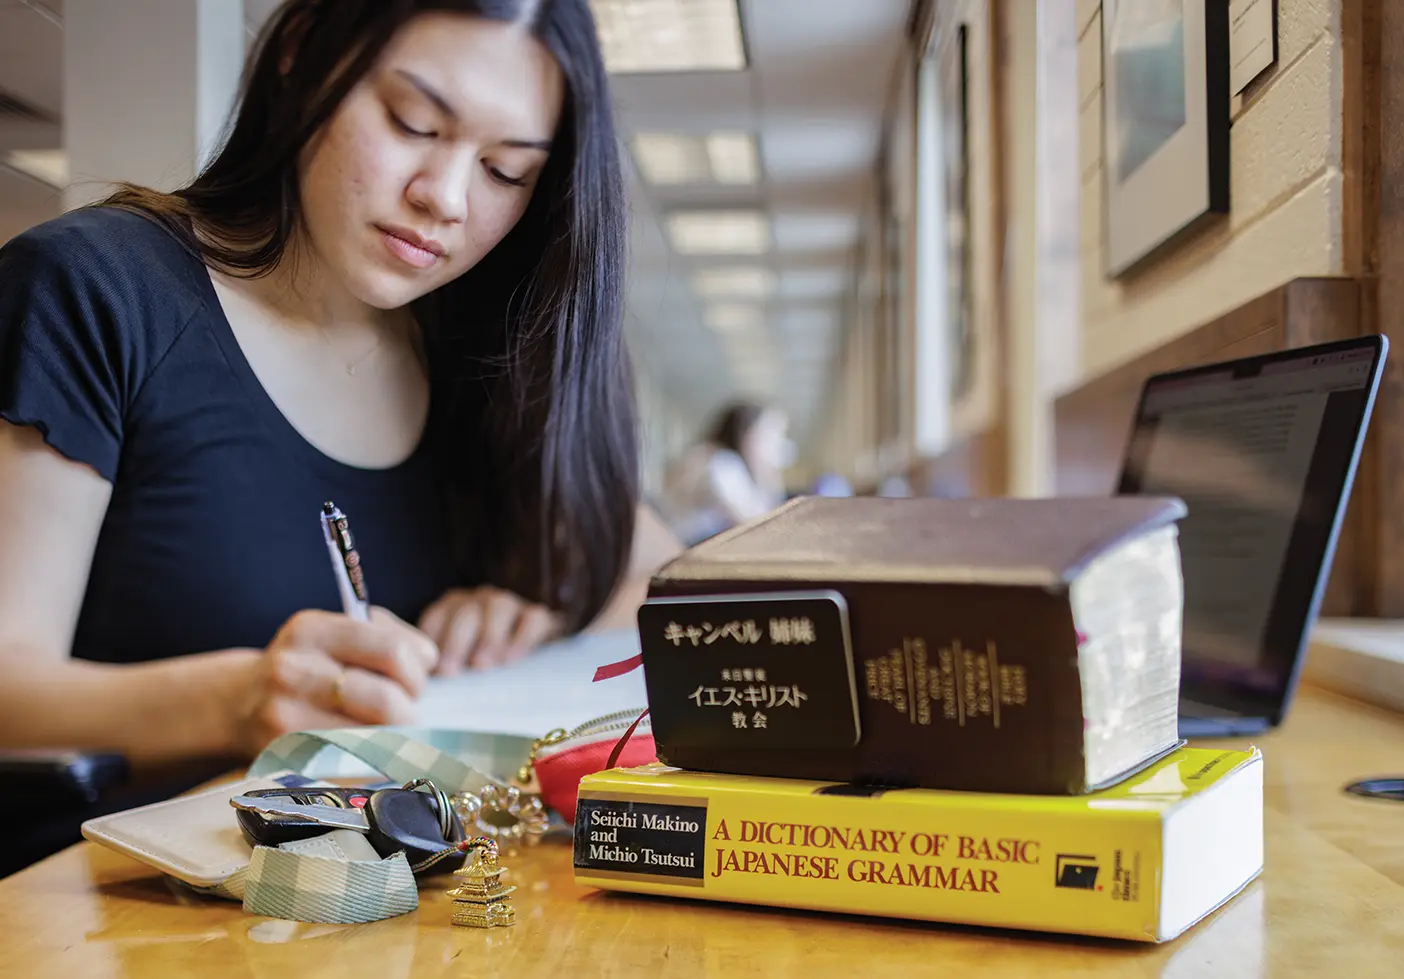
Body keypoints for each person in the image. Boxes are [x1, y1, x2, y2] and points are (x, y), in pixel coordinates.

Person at [0, 0, 680, 773]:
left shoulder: (487, 358)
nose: (446, 197)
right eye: (412, 123)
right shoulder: (94, 291)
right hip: (97, 884)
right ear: (301, 51)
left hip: (398, 886)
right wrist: (233, 699)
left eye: (505, 170)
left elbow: (676, 584)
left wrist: (547, 610)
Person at [659, 401, 792, 545]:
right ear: (747, 434)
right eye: (771, 435)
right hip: (686, 550)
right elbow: (756, 525)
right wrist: (768, 474)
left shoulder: (723, 463)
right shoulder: (722, 463)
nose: (776, 444)